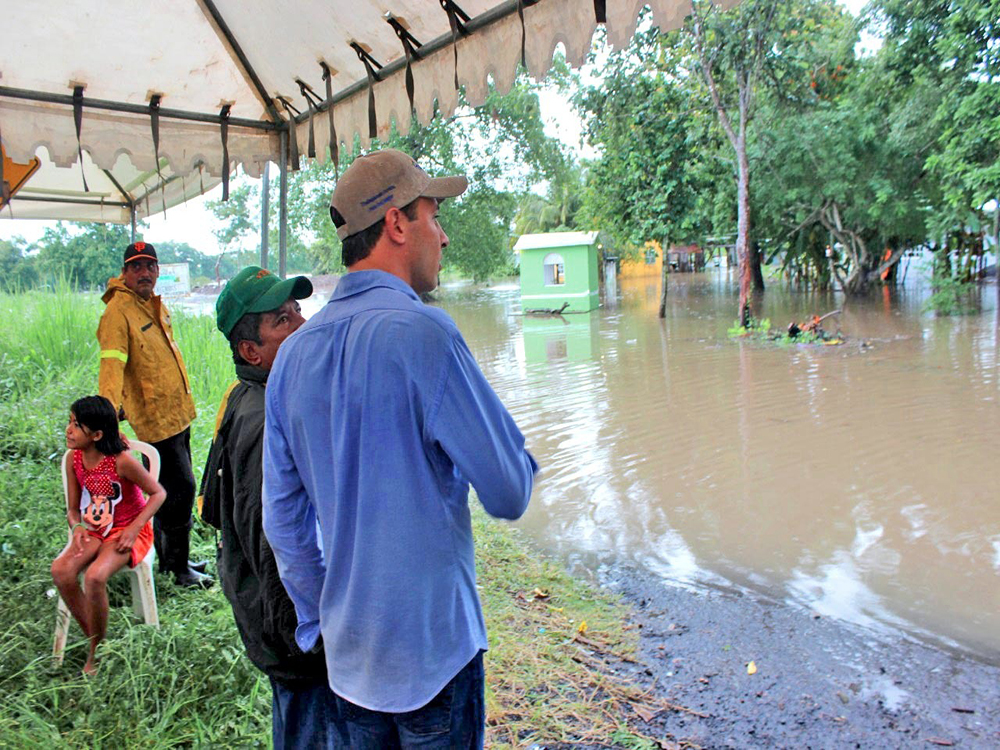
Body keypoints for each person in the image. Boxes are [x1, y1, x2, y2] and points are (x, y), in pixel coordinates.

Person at [262, 149, 539, 747]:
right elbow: (509, 491)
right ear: (396, 223)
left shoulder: (291, 359)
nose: (444, 236)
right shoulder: (425, 334)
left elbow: (284, 523)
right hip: (434, 659)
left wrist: (324, 620)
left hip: (349, 663)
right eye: (434, 216)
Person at [199, 266, 343, 749]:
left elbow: (217, 512)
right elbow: (274, 547)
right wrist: (311, 640)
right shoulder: (264, 421)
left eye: (298, 310)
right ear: (251, 352)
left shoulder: (250, 396)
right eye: (282, 319)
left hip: (273, 621)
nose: (303, 323)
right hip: (292, 635)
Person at [97, 241, 211, 587]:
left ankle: (171, 561)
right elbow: (112, 368)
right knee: (181, 490)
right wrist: (106, 419)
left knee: (170, 488)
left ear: (158, 271)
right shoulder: (118, 312)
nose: (144, 273)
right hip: (155, 422)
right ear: (124, 273)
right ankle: (179, 570)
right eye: (136, 267)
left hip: (177, 414)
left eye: (150, 266)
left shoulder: (152, 305)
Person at [51, 395, 166, 675]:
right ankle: (98, 638)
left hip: (127, 528)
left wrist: (134, 528)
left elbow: (158, 494)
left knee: (94, 577)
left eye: (76, 425)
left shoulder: (122, 461)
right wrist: (77, 527)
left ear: (97, 435)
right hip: (95, 527)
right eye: (70, 422)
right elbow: (72, 510)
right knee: (61, 571)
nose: (69, 430)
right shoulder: (74, 459)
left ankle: (95, 652)